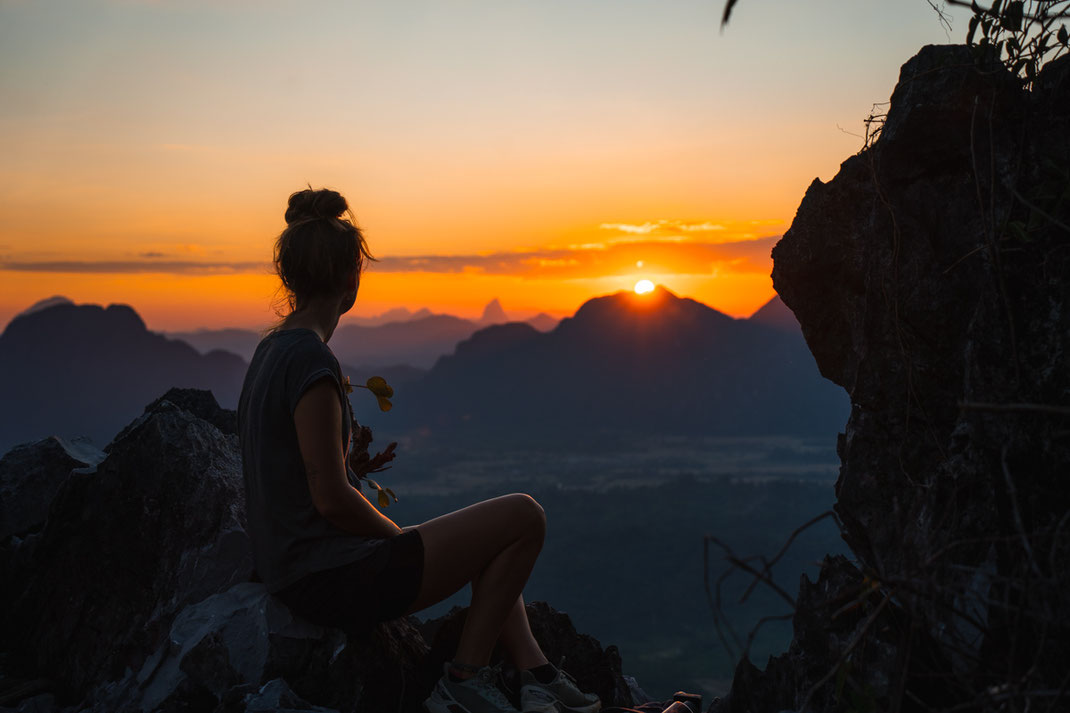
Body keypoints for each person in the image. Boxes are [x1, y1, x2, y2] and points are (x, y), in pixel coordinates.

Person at [237, 187, 601, 713]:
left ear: (290, 276)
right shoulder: (311, 363)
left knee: (486, 538)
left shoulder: (270, 351)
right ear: (350, 279)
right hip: (330, 580)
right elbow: (331, 497)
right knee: (526, 516)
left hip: (299, 570)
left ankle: (534, 670)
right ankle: (464, 678)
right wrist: (399, 540)